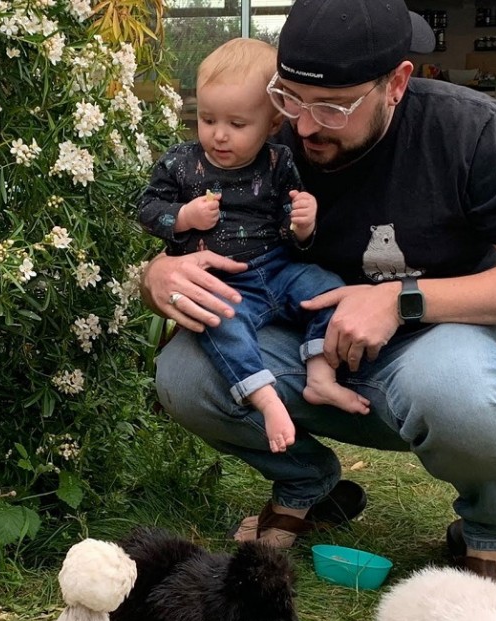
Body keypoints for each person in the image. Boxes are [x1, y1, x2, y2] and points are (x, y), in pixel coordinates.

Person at [141, 0, 496, 599]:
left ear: (397, 84)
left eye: (330, 107)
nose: (304, 127)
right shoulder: (268, 133)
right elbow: (192, 227)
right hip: (308, 344)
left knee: (464, 397)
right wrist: (157, 273)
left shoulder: (469, 130)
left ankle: (487, 532)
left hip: (439, 344)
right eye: (290, 98)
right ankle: (310, 486)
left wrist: (399, 300)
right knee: (185, 373)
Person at [138, 38, 370, 455]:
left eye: (237, 124)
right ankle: (265, 399)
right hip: (222, 281)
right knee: (222, 325)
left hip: (278, 267)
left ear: (273, 123)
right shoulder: (181, 163)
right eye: (207, 119)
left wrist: (303, 223)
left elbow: (291, 225)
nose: (219, 135)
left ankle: (320, 376)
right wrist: (185, 217)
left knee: (326, 287)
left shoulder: (280, 162)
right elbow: (147, 207)